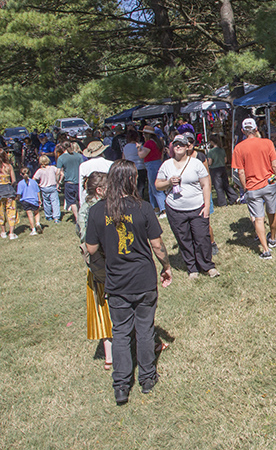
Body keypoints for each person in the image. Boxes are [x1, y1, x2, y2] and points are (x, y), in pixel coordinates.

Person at [85, 160, 173, 405]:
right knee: (145, 330)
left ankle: (121, 385)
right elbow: (157, 244)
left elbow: (91, 248)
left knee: (121, 333)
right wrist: (166, 267)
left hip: (116, 282)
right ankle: (147, 378)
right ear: (131, 180)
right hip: (143, 279)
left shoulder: (97, 211)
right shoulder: (143, 207)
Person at [155, 134, 218, 279]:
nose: (178, 147)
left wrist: (207, 205)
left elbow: (206, 184)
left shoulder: (195, 163)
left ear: (187, 147)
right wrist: (169, 182)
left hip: (197, 207)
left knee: (202, 237)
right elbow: (157, 185)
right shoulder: (166, 165)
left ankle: (207, 266)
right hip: (175, 209)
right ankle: (192, 268)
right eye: (175, 144)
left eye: (181, 144)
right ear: (172, 147)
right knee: (184, 239)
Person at [77, 172, 113, 370]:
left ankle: (109, 356)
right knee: (111, 307)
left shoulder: (84, 209)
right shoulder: (93, 210)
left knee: (103, 310)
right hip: (103, 267)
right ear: (100, 191)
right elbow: (88, 240)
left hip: (96, 268)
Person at [231, 118, 276, 259]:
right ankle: (273, 239)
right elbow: (275, 165)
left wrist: (245, 187)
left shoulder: (239, 148)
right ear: (256, 129)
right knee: (272, 212)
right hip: (269, 184)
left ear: (243, 131)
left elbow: (240, 172)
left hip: (252, 187)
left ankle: (265, 251)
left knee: (258, 218)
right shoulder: (267, 143)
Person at [136, 125, 167, 218]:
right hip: (156, 164)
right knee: (151, 189)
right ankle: (156, 208)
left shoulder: (149, 143)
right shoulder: (157, 142)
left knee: (156, 188)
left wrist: (138, 148)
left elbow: (142, 155)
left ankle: (164, 209)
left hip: (151, 165)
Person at [79, 141, 114, 207]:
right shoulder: (110, 164)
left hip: (89, 196)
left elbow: (81, 184)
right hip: (106, 194)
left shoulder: (84, 166)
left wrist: (81, 201)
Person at [207, 135, 237, 207]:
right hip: (223, 168)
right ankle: (233, 197)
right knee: (226, 185)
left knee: (218, 187)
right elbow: (225, 160)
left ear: (211, 142)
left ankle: (222, 202)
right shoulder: (222, 150)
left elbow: (210, 162)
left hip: (215, 169)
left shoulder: (211, 151)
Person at [56, 140, 83, 222]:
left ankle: (77, 218)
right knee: (80, 200)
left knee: (72, 201)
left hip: (69, 183)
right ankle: (82, 215)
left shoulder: (61, 158)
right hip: (79, 181)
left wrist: (57, 182)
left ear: (61, 147)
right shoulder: (79, 156)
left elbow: (58, 172)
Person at [33, 154, 60, 222]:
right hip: (52, 186)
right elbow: (60, 173)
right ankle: (56, 217)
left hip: (44, 188)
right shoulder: (53, 168)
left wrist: (37, 184)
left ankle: (48, 216)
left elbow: (34, 179)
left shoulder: (40, 170)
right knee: (55, 202)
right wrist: (58, 181)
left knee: (46, 202)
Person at [122, 128, 147, 200]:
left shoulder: (126, 147)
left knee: (131, 186)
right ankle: (140, 200)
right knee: (140, 187)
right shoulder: (140, 146)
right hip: (141, 167)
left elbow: (123, 158)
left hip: (130, 168)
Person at [16, 167, 42, 235]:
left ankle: (33, 229)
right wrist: (39, 199)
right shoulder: (34, 182)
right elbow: (38, 191)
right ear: (29, 173)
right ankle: (38, 223)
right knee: (36, 212)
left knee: (30, 215)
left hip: (25, 200)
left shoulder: (20, 183)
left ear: (20, 174)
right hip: (34, 199)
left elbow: (19, 193)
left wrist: (17, 199)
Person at [0, 149, 18, 239]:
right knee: (11, 211)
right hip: (9, 191)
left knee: (1, 212)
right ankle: (11, 233)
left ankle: (3, 232)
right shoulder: (9, 166)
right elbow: (14, 180)